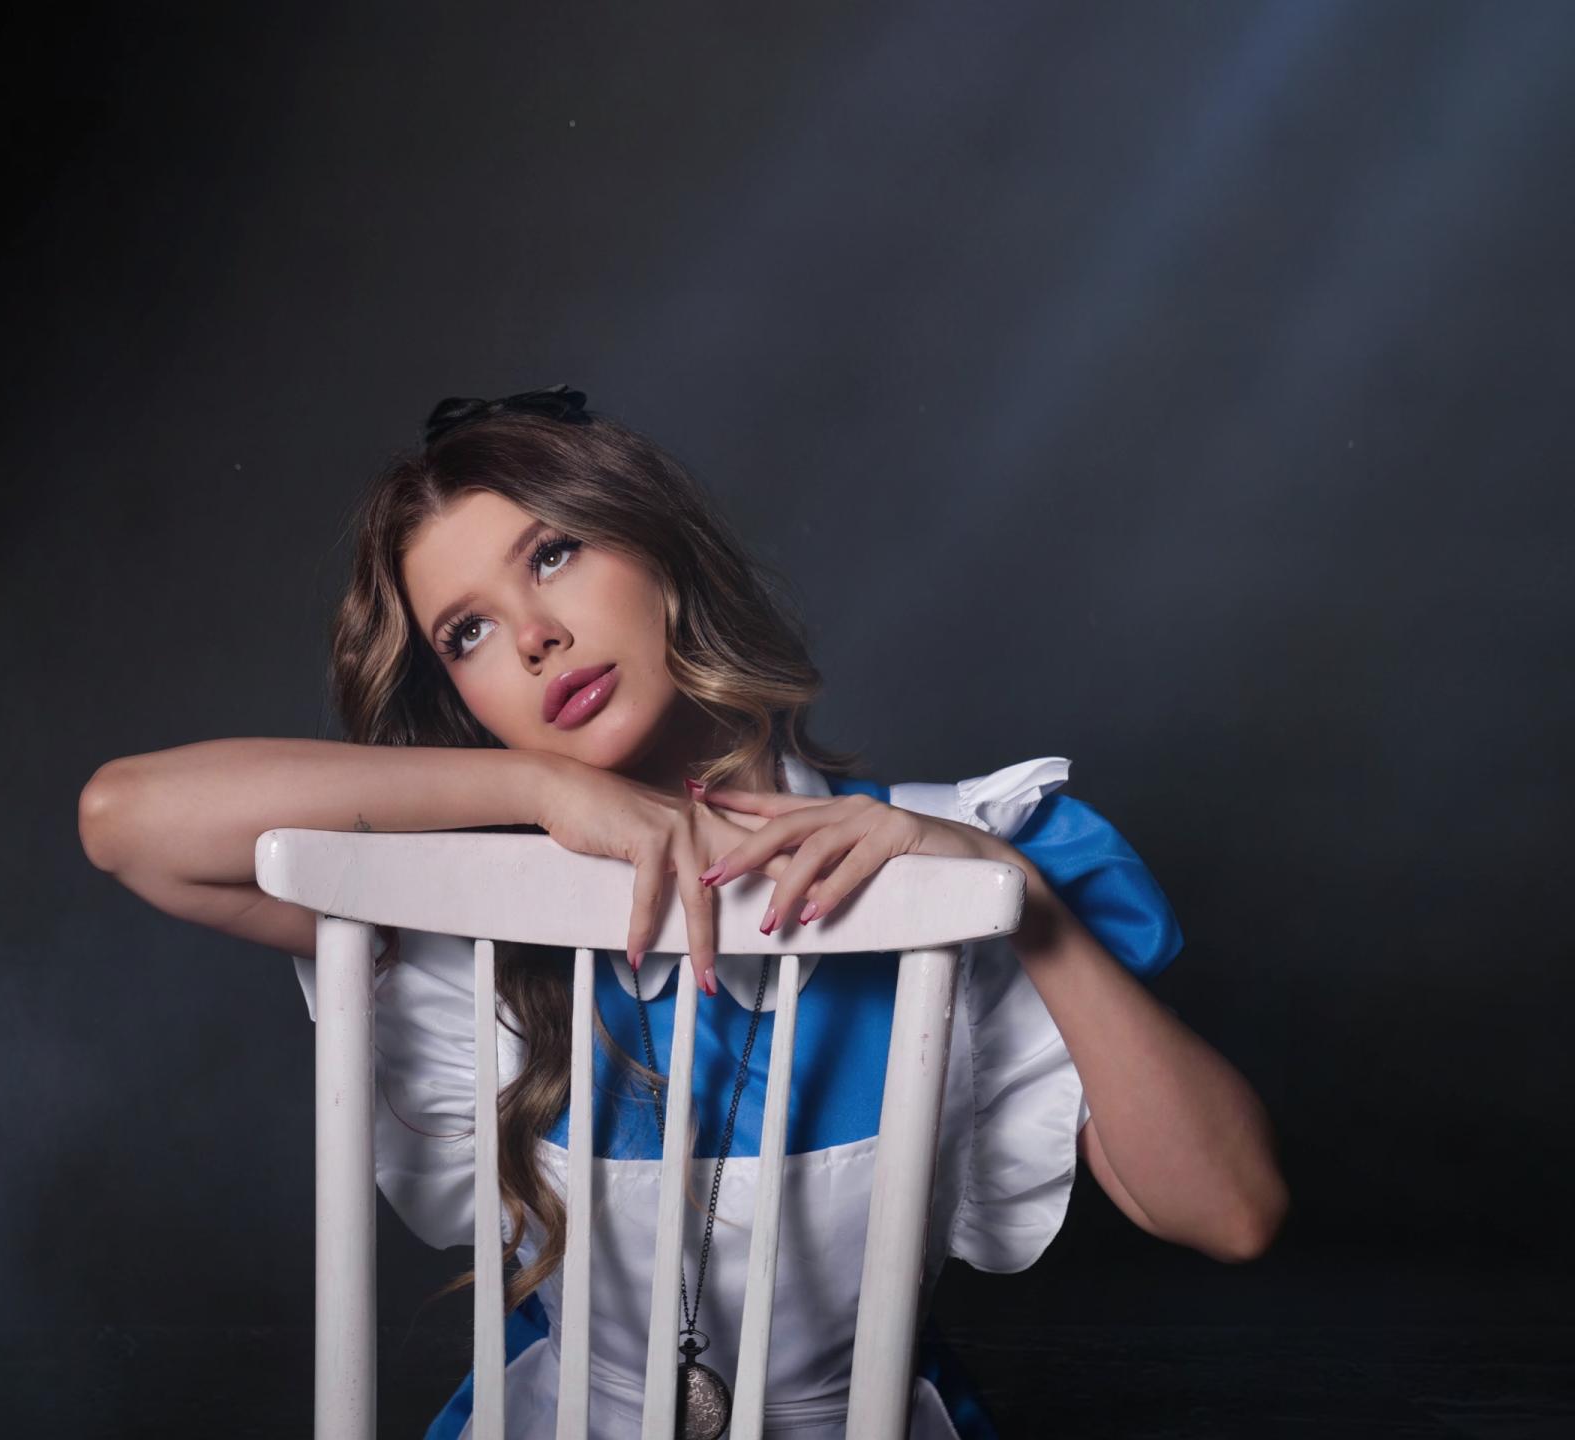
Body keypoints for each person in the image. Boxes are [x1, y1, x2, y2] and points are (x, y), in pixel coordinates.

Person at [77, 385, 1290, 1438]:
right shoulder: (475, 900)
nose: (536, 639)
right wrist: (537, 793)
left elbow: (1232, 1214)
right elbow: (126, 819)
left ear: (659, 547)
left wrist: (1014, 899)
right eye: (469, 632)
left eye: (553, 554)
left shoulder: (965, 846)